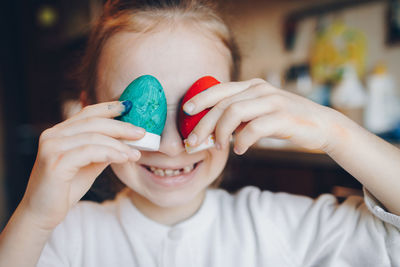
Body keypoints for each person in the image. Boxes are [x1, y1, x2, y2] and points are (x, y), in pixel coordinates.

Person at [1, 0, 399, 266]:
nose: (173, 146)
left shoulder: (281, 227)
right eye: (143, 115)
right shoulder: (61, 239)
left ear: (238, 107)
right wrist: (33, 218)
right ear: (89, 112)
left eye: (201, 108)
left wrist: (336, 131)